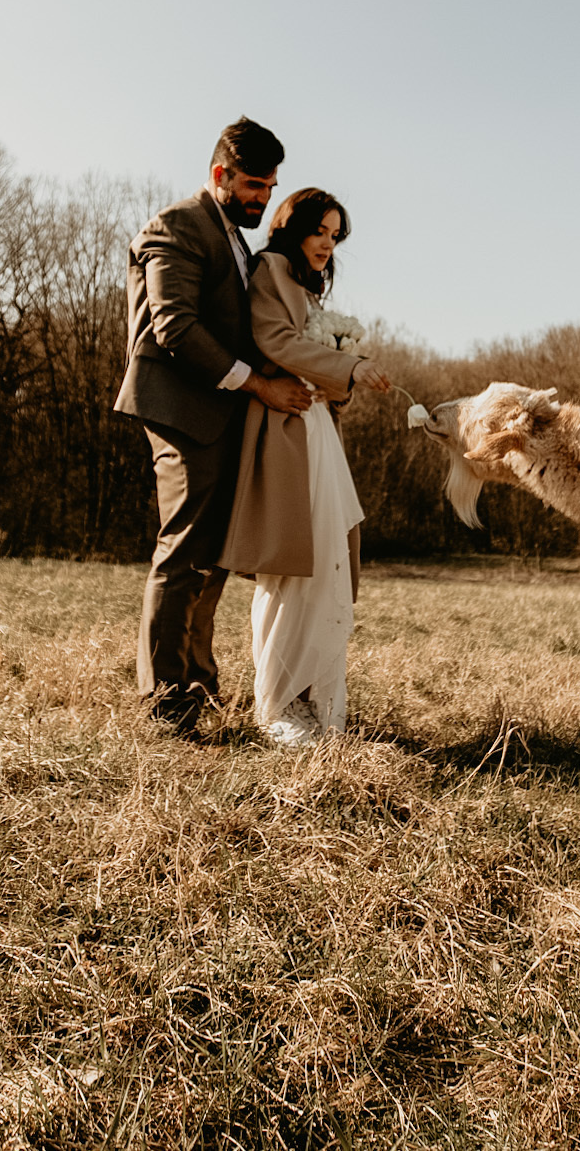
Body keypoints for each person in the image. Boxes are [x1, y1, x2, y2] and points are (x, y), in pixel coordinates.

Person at [113, 119, 314, 735]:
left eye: (271, 186)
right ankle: (164, 701)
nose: (263, 197)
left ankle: (198, 680)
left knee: (215, 557)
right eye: (254, 185)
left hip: (226, 414)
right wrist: (259, 385)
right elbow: (175, 329)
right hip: (181, 411)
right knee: (183, 549)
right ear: (220, 174)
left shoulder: (235, 239)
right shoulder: (176, 226)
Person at [219, 188, 394, 747]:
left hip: (318, 432)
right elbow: (274, 339)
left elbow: (310, 362)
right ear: (293, 228)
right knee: (290, 567)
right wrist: (348, 364)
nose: (327, 242)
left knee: (327, 564)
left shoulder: (309, 285)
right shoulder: (272, 269)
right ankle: (277, 704)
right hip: (285, 433)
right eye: (319, 230)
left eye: (335, 233)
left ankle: (317, 701)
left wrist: (339, 382)